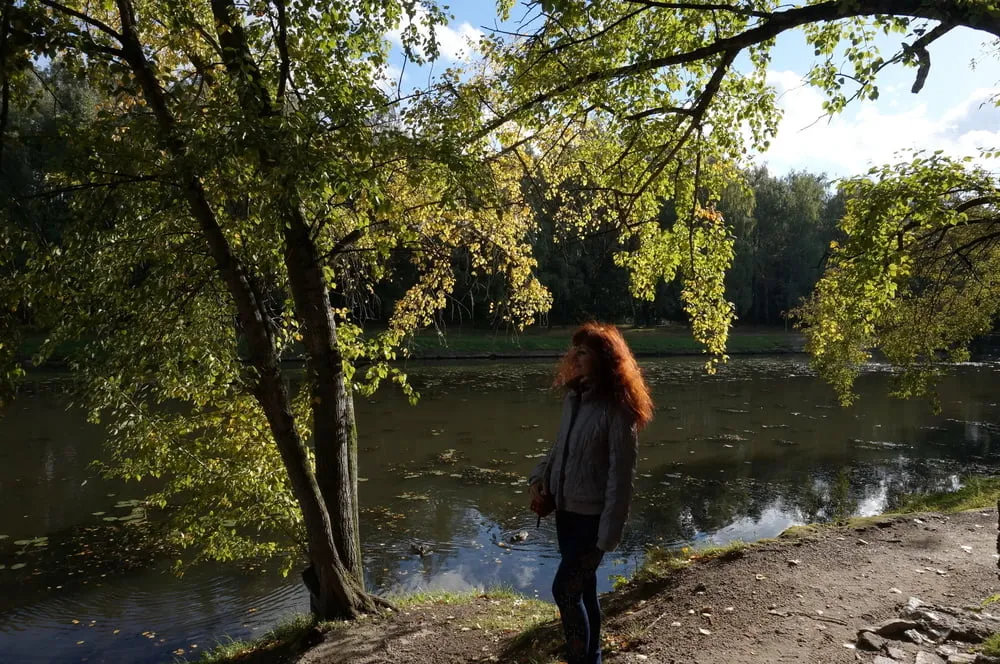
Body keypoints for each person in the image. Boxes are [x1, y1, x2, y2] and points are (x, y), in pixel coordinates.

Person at [529, 322, 654, 664]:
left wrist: (608, 536)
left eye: (584, 352)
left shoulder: (619, 408)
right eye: (576, 351)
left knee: (563, 591)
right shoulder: (575, 397)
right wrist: (539, 479)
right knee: (583, 591)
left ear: (604, 358)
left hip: (592, 521)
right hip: (566, 513)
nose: (576, 357)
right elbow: (560, 448)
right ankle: (593, 658)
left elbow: (621, 477)